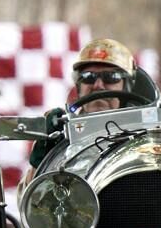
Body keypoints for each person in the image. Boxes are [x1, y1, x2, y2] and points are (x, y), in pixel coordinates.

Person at [29, 38, 137, 168]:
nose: (98, 86)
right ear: (79, 86)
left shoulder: (144, 134)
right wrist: (42, 163)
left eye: (110, 77)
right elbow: (34, 188)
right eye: (88, 77)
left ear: (127, 86)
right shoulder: (63, 133)